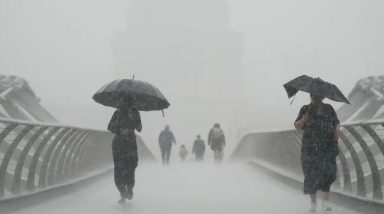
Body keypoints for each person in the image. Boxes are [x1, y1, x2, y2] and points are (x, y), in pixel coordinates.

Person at [294, 94, 340, 212]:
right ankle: (313, 203)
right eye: (314, 95)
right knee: (310, 173)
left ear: (323, 97)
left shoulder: (328, 108)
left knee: (327, 172)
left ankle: (325, 202)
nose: (316, 98)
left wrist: (336, 135)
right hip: (310, 147)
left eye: (319, 96)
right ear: (310, 96)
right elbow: (297, 126)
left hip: (327, 145)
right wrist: (304, 119)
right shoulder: (305, 109)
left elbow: (336, 123)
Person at [107, 107, 142, 203]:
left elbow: (139, 128)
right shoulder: (118, 113)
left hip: (128, 145)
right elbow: (110, 127)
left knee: (129, 168)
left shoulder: (134, 113)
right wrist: (121, 130)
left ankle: (128, 189)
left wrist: (132, 125)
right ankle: (124, 192)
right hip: (121, 145)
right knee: (121, 169)